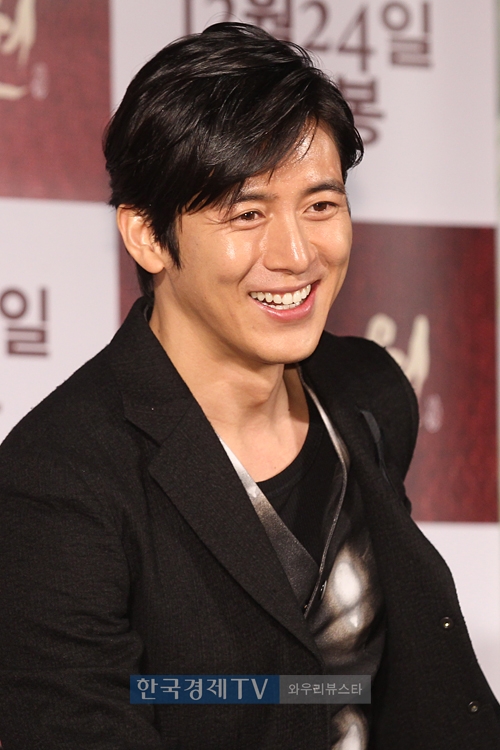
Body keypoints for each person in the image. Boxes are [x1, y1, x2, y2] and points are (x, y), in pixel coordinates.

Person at [0, 21, 498, 750]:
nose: (296, 254)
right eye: (247, 213)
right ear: (147, 235)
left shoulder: (371, 392)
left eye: (321, 205)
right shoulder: (57, 480)